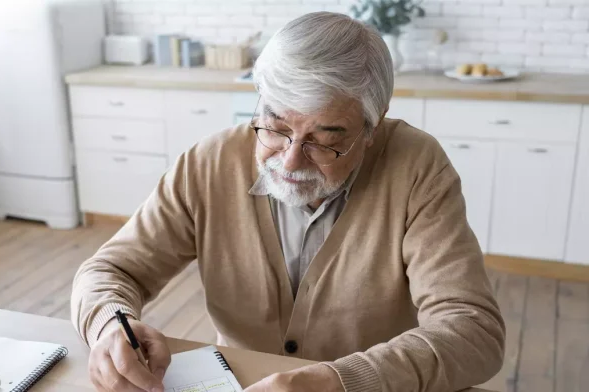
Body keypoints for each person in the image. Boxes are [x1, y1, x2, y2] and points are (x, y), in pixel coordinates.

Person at [70, 11, 505, 392]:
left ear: (372, 128)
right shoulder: (208, 163)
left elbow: (473, 330)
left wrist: (340, 381)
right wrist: (110, 324)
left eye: (325, 139)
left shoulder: (417, 167)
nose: (291, 159)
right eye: (274, 125)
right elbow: (111, 270)